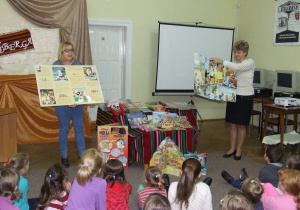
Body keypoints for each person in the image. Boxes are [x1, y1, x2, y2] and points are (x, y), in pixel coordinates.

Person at [210, 40, 255, 160]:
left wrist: (221, 61)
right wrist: (221, 94)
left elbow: (238, 67)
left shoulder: (249, 63)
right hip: (233, 97)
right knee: (232, 124)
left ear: (245, 52)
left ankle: (239, 149)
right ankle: (232, 148)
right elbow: (227, 82)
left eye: (239, 52)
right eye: (236, 52)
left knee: (241, 125)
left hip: (245, 97)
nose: (237, 55)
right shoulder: (233, 65)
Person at [53, 41, 86, 168]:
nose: (70, 52)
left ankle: (82, 155)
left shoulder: (78, 64)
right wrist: (67, 99)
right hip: (62, 103)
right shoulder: (56, 65)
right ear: (61, 52)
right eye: (67, 50)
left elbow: (82, 84)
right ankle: (64, 156)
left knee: (79, 128)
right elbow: (55, 86)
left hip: (77, 103)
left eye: (71, 50)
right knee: (64, 129)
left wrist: (76, 100)